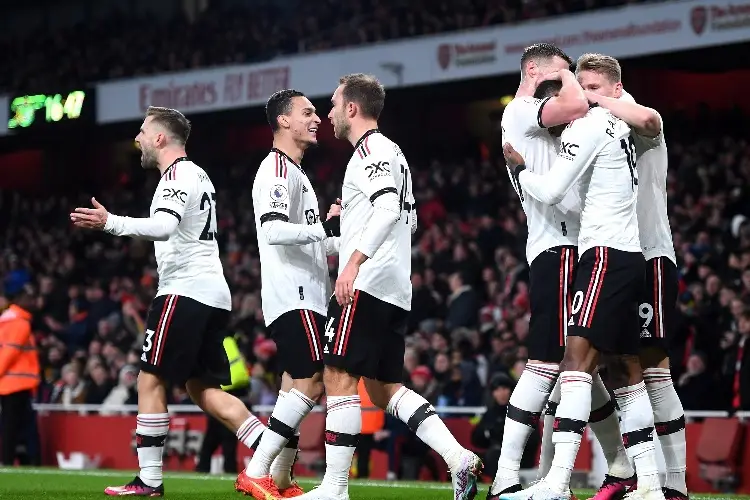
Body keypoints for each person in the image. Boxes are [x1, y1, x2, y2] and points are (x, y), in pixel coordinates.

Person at [296, 73, 481, 500]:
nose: (328, 113)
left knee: (337, 374)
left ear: (353, 109)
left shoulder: (373, 150)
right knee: (383, 388)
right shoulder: (393, 154)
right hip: (395, 284)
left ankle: (335, 488)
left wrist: (353, 263)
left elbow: (386, 210)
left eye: (334, 104)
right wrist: (350, 222)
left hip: (368, 282)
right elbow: (408, 219)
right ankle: (457, 458)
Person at [70, 106, 268, 497]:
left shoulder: (176, 175)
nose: (138, 138)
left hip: (185, 290)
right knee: (203, 390)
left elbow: (163, 226)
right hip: (212, 293)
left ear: (160, 138)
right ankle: (272, 450)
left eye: (143, 131)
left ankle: (149, 480)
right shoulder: (199, 175)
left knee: (149, 378)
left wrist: (111, 222)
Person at [502, 82, 665, 500]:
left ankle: (557, 482)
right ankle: (648, 483)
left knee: (574, 363)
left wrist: (521, 169)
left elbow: (554, 192)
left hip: (604, 256)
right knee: (625, 373)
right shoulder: (618, 125)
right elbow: (646, 119)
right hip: (632, 257)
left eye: (585, 88)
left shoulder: (586, 127)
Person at [490, 43, 624, 500]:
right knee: (549, 364)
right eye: (560, 72)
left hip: (554, 248)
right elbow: (576, 103)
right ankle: (506, 476)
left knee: (584, 367)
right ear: (534, 70)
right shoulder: (526, 109)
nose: (567, 80)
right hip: (562, 248)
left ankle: (621, 468)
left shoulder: (526, 121)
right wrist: (571, 75)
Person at [576, 53, 688, 500]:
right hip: (613, 259)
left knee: (653, 370)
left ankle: (673, 484)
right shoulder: (593, 131)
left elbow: (651, 120)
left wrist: (595, 101)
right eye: (579, 86)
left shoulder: (632, 116)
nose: (583, 95)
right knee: (601, 363)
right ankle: (628, 472)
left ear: (615, 89)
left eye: (593, 86)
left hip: (650, 258)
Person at [236, 89, 341, 500]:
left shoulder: (296, 173)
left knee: (291, 388)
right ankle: (256, 469)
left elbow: (312, 241)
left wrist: (343, 237)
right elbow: (274, 231)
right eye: (308, 112)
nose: (317, 119)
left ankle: (279, 479)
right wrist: (325, 231)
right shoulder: (277, 171)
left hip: (309, 293)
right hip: (294, 293)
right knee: (312, 381)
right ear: (283, 121)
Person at [0, 288, 40, 466]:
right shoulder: (19, 323)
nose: (33, 302)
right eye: (29, 298)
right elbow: (9, 353)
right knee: (14, 426)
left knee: (13, 425)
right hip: (17, 384)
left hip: (11, 383)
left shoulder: (8, 321)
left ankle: (14, 460)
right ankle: (9, 460)